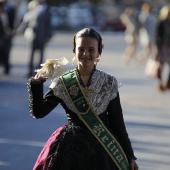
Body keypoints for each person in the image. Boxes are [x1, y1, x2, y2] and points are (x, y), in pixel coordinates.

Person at [27, 28, 139, 170]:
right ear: (74, 50)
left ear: (99, 52)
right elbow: (39, 112)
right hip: (70, 149)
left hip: (103, 149)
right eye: (81, 49)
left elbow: (118, 122)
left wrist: (130, 156)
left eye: (91, 50)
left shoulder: (108, 82)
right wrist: (37, 84)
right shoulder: (63, 82)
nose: (86, 54)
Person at [17, 0, 52, 77]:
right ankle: (30, 71)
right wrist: (19, 31)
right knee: (31, 55)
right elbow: (25, 22)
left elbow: (48, 24)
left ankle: (39, 72)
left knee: (40, 55)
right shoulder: (31, 11)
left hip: (42, 36)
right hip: (32, 37)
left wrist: (48, 36)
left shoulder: (46, 10)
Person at [155, 5, 170, 91]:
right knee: (161, 66)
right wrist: (158, 49)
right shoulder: (161, 23)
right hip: (163, 48)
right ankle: (160, 83)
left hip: (169, 47)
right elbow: (157, 37)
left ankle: (168, 83)